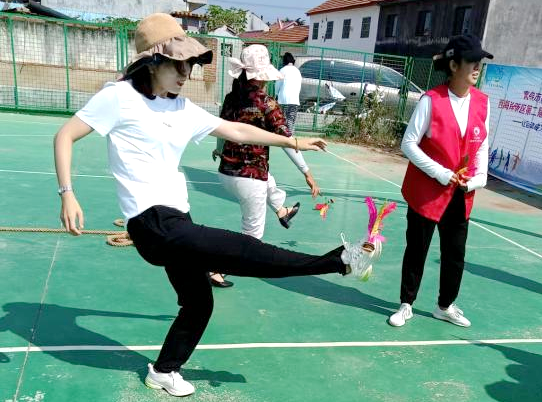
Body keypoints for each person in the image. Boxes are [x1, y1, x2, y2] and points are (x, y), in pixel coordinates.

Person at [54, 13, 378, 397]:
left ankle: (163, 370)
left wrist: (294, 142)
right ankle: (338, 261)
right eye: (179, 63)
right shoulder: (118, 97)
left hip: (177, 216)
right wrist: (67, 193)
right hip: (152, 223)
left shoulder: (180, 108)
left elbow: (236, 130)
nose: (187, 72)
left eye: (190, 63)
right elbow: (66, 135)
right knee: (242, 250)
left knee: (198, 302)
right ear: (153, 61)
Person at [388, 34, 492, 328]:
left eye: (479, 62)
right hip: (427, 193)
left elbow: (482, 144)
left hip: (461, 193)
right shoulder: (431, 100)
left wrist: (479, 179)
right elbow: (409, 144)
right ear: (454, 65)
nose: (477, 68)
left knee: (455, 255)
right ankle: (406, 304)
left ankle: (444, 305)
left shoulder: (483, 103)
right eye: (472, 61)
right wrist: (442, 173)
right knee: (417, 250)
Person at [209, 46, 320, 287]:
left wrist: (219, 149)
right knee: (252, 237)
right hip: (249, 180)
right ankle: (218, 270)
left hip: (226, 173)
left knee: (267, 179)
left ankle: (282, 210)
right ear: (261, 76)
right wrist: (307, 173)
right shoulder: (267, 103)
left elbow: (221, 127)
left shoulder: (232, 97)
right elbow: (288, 142)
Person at [275, 52, 302, 136]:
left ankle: (283, 135)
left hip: (283, 99)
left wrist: (276, 94)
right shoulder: (297, 71)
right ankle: (290, 136)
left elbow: (278, 85)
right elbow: (299, 86)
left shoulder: (282, 70)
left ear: (284, 61)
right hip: (294, 100)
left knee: (282, 118)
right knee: (291, 119)